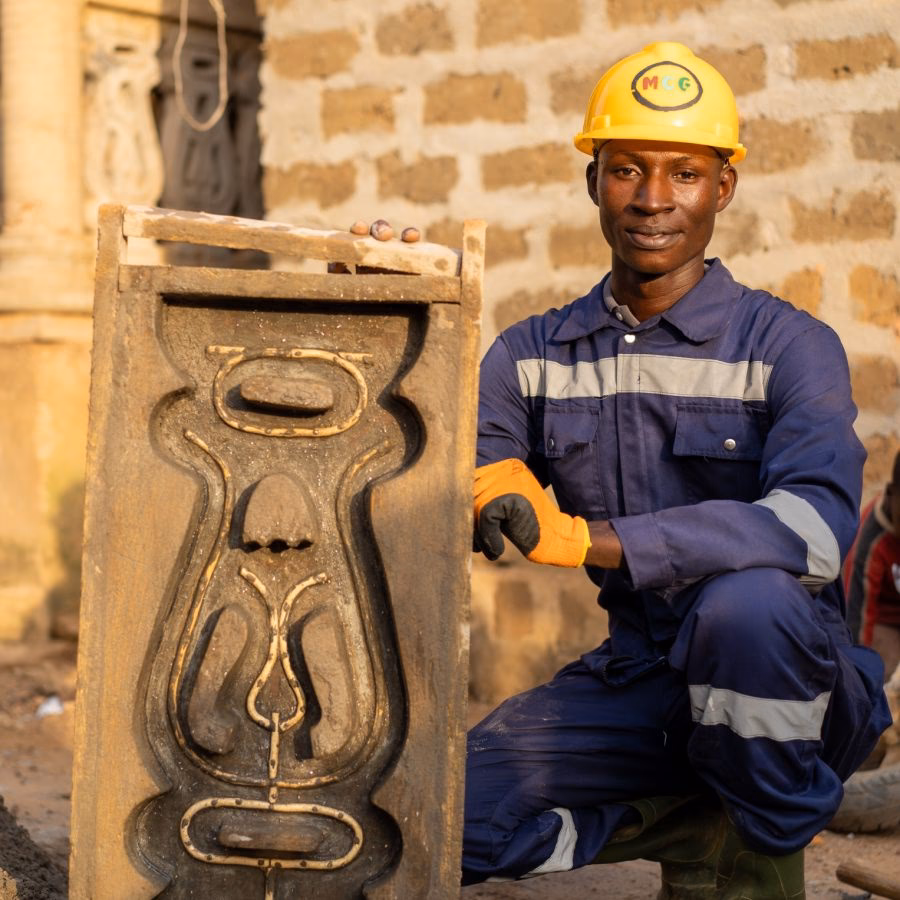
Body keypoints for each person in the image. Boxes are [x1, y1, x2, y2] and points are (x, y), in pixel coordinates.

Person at [462, 42, 891, 899]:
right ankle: (689, 820)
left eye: (684, 174)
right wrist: (388, 290)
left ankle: (763, 834)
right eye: (626, 169)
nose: (653, 200)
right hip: (642, 677)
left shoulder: (790, 347)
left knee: (750, 602)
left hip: (788, 683)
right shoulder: (534, 355)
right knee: (439, 818)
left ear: (722, 188)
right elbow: (466, 466)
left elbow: (809, 530)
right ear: (594, 182)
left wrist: (591, 539)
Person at [844, 448, 900, 679]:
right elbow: (857, 619)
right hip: (885, 618)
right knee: (873, 666)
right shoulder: (869, 544)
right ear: (891, 494)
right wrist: (860, 676)